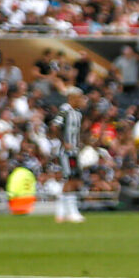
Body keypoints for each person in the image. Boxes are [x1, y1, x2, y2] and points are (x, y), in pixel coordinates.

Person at [52, 88, 86, 223]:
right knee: (69, 179)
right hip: (66, 152)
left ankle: (65, 211)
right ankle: (69, 212)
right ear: (72, 98)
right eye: (80, 98)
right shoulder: (65, 110)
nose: (82, 100)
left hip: (75, 151)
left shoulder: (78, 113)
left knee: (75, 179)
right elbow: (55, 126)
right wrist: (63, 142)